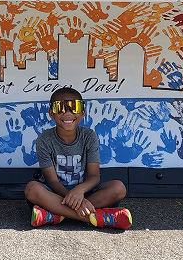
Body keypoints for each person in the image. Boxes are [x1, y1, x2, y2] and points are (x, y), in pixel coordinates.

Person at [24, 87, 132, 230]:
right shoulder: (44, 140)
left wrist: (79, 192)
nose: (68, 113)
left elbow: (94, 176)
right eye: (60, 108)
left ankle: (56, 214)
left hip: (85, 193)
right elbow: (51, 181)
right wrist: (74, 200)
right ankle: (97, 218)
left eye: (74, 107)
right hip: (56, 194)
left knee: (118, 188)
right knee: (32, 189)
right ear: (51, 113)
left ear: (82, 113)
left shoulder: (89, 136)